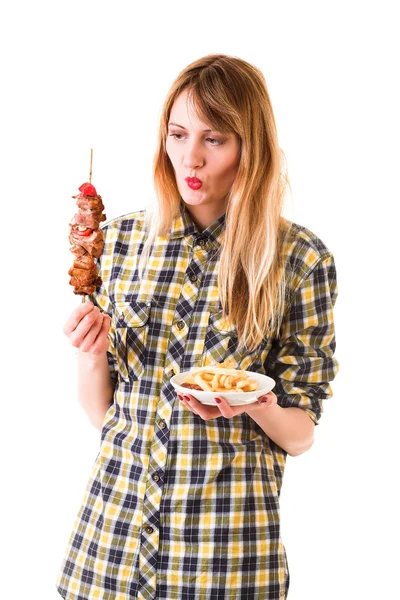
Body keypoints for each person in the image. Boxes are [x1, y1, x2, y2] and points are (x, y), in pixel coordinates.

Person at [56, 54, 339, 600]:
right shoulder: (120, 242)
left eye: (215, 139)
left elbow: (301, 434)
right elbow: (106, 415)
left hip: (226, 556)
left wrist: (256, 403)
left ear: (247, 147)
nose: (191, 156)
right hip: (110, 547)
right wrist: (90, 354)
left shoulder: (299, 259)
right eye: (179, 133)